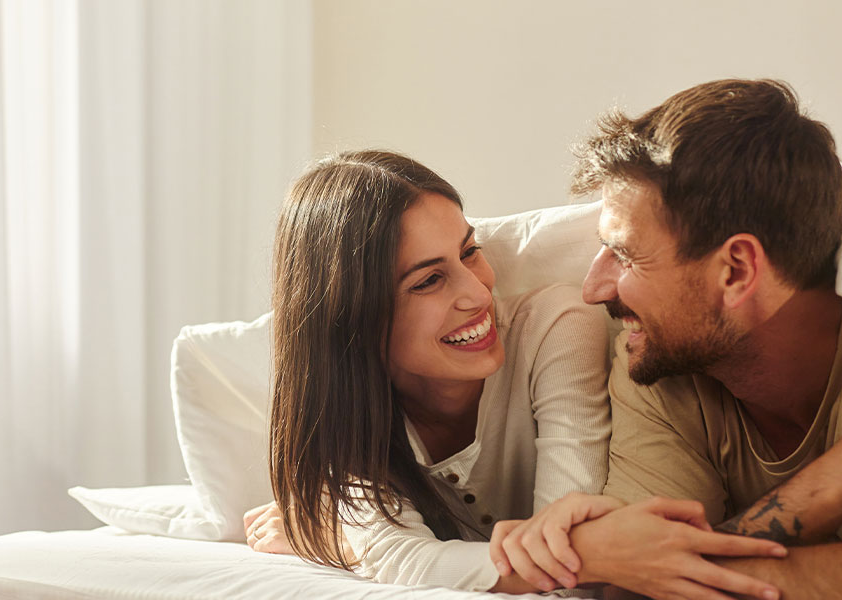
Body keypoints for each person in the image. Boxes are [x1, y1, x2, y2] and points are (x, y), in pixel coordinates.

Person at [489, 79, 842, 600]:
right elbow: (629, 581)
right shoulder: (656, 360)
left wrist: (671, 567)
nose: (592, 289)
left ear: (737, 270)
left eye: (625, 255)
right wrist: (833, 482)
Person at [244, 150, 789, 594]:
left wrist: (352, 541)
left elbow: (560, 560)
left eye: (470, 252)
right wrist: (359, 542)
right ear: (354, 318)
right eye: (429, 281)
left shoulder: (554, 324)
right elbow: (411, 561)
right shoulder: (340, 409)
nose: (478, 292)